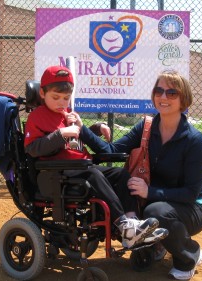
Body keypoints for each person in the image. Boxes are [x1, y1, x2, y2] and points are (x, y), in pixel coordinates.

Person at [77, 70, 202, 280]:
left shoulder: (194, 140)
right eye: (159, 90)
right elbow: (111, 152)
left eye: (171, 92)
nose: (163, 97)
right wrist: (82, 130)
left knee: (155, 212)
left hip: (192, 207)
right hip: (154, 199)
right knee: (120, 191)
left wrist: (150, 191)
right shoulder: (146, 127)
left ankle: (189, 255)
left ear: (183, 99)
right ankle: (157, 245)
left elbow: (191, 193)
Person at [24, 65, 168, 249]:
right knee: (93, 174)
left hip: (80, 167)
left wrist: (94, 129)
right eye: (56, 97)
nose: (62, 102)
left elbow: (75, 141)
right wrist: (61, 134)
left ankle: (132, 225)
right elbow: (33, 148)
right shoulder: (37, 117)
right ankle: (124, 225)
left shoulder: (66, 115)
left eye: (66, 98)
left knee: (122, 175)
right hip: (57, 172)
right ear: (42, 94)